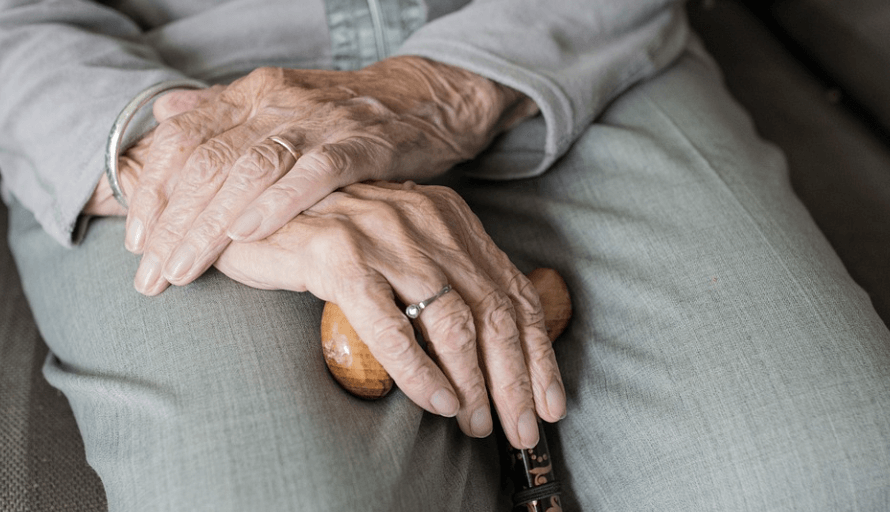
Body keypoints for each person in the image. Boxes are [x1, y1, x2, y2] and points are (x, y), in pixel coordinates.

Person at [1, 0, 888, 510]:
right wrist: (199, 166)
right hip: (150, 99)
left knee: (831, 476)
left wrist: (432, 92)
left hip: (566, 47)